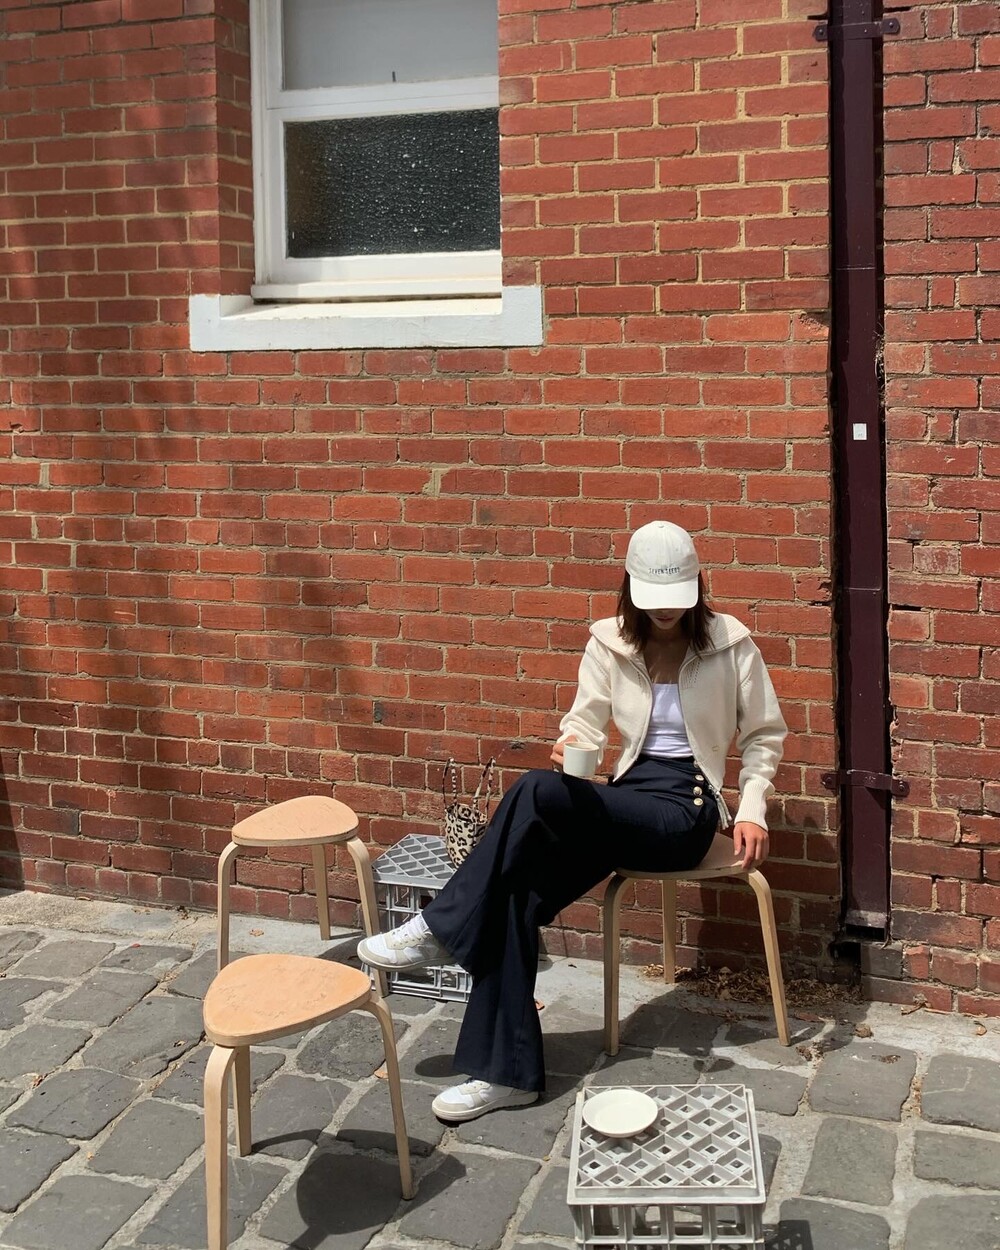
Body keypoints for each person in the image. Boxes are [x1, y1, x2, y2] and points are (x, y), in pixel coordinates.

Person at [358, 520, 787, 1123]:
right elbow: (584, 722)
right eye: (653, 598)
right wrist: (572, 748)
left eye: (676, 598)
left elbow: (765, 734)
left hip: (685, 810)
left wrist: (753, 806)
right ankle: (506, 1076)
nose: (665, 611)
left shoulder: (730, 644)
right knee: (514, 894)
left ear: (696, 588)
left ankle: (440, 924)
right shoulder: (609, 644)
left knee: (535, 790)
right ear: (631, 588)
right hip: (625, 800)